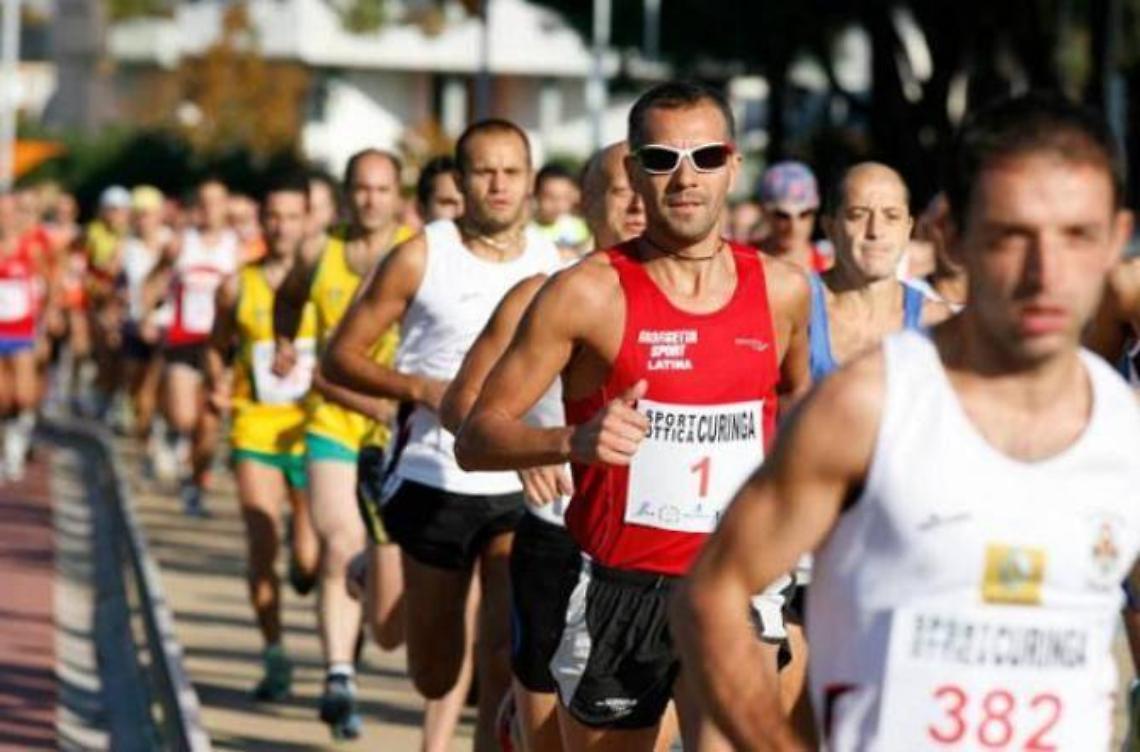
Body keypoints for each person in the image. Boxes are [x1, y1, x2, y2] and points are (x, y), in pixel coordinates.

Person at [671, 93, 1140, 751]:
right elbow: (709, 596)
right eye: (1011, 235)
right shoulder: (871, 405)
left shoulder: (1126, 432)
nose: (1045, 274)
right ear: (952, 235)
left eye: (1077, 236)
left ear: (1116, 242)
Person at [454, 82, 811, 751]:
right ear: (632, 173)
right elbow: (476, 435)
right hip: (618, 592)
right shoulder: (586, 294)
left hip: (734, 584)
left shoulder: (783, 292)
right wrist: (570, 440)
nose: (686, 177)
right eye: (661, 159)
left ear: (734, 166)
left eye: (706, 156)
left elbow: (800, 410)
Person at [323, 119, 564, 752]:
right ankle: (369, 572)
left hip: (518, 479)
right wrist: (420, 389)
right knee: (434, 673)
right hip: (433, 472)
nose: (499, 184)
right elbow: (338, 357)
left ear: (531, 180)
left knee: (501, 655)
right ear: (459, 181)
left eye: (512, 172)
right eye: (484, 171)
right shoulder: (420, 254)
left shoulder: (555, 263)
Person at [438, 140, 660, 752]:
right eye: (622, 192)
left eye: (649, 190)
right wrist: (534, 451)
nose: (640, 205)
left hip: (656, 556)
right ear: (586, 204)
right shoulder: (540, 295)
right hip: (557, 538)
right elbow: (463, 405)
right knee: (546, 739)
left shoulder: (700, 305)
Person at [272, 148, 414, 739]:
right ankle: (337, 676)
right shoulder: (318, 249)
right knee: (341, 541)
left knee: (381, 580)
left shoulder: (418, 251)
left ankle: (351, 636)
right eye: (361, 188)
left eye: (382, 189)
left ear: (397, 194)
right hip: (333, 414)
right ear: (346, 191)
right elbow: (288, 297)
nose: (370, 200)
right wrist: (285, 340)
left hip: (399, 425)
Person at [203, 174, 321, 703]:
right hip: (254, 426)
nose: (280, 226)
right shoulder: (237, 284)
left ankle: (307, 561)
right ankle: (275, 651)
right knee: (260, 540)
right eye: (272, 215)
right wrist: (217, 382)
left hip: (313, 428)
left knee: (309, 559)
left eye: (292, 216)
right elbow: (216, 345)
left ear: (307, 221)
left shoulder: (326, 282)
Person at [151, 177, 240, 514]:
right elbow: (154, 279)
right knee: (186, 417)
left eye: (216, 202)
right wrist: (148, 312)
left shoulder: (238, 248)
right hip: (182, 341)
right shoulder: (179, 244)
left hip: (220, 345)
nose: (209, 209)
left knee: (210, 425)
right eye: (203, 202)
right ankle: (172, 434)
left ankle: (195, 484)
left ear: (226, 206)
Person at [756, 161, 831, 273]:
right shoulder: (743, 261)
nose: (794, 226)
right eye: (783, 215)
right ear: (764, 213)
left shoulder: (829, 266)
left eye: (804, 214)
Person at [532, 163, 591, 257]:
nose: (558, 204)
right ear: (536, 195)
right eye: (550, 197)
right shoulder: (528, 230)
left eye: (564, 198)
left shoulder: (579, 228)